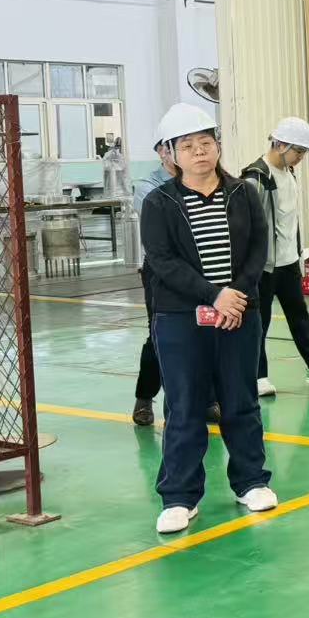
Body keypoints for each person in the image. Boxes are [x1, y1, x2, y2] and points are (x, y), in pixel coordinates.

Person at [139, 107, 275, 534]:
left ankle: (251, 481)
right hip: (181, 318)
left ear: (218, 145)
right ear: (171, 154)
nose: (199, 152)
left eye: (205, 142)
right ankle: (179, 497)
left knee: (241, 399)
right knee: (184, 405)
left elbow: (258, 248)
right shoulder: (159, 202)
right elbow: (162, 260)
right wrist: (213, 294)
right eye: (187, 146)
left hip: (239, 313)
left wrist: (236, 296)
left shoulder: (242, 194)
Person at [241, 116, 309, 397]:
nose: (301, 157)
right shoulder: (255, 178)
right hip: (264, 267)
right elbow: (244, 227)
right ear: (279, 145)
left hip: (289, 261)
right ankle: (257, 376)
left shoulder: (289, 173)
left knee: (299, 315)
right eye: (298, 151)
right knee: (260, 322)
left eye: (303, 152)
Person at [130, 107, 187, 425]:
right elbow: (165, 226)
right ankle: (144, 398)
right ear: (163, 151)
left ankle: (207, 398)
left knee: (204, 332)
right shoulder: (147, 186)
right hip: (160, 271)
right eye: (180, 146)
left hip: (200, 268)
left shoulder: (206, 181)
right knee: (159, 334)